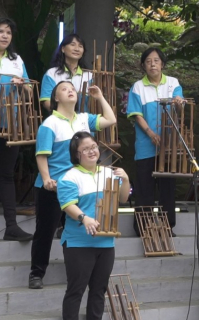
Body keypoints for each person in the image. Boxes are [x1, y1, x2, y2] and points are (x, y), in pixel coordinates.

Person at [30, 80, 116, 290]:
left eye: (72, 88)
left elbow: (110, 119)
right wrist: (47, 179)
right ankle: (36, 273)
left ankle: (79, 274)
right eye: (64, 89)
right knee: (45, 231)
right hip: (53, 187)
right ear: (56, 98)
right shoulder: (49, 124)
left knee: (77, 226)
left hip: (79, 185)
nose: (70, 91)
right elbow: (42, 155)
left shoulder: (84, 119)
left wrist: (100, 97)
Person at [58, 132, 130, 320]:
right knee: (76, 291)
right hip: (79, 243)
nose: (92, 151)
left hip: (106, 242)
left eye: (94, 147)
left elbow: (123, 198)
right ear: (76, 155)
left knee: (98, 291)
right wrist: (84, 218)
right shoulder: (69, 177)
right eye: (86, 149)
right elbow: (67, 205)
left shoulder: (109, 173)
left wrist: (126, 180)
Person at [127, 48, 184, 236]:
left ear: (162, 64)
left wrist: (178, 102)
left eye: (156, 60)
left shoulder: (173, 83)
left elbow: (180, 103)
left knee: (167, 188)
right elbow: (136, 114)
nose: (153, 64)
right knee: (145, 188)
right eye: (149, 61)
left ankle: (168, 227)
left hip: (168, 145)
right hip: (145, 145)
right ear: (143, 65)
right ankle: (143, 227)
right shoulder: (138, 87)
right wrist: (151, 133)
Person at [0, 17, 34, 241]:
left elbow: (30, 90)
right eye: (1, 31)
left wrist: (23, 86)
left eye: (8, 32)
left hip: (8, 125)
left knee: (6, 175)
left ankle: (11, 226)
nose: (4, 35)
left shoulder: (15, 59)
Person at [40, 34, 94, 111]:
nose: (77, 49)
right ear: (63, 49)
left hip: (84, 121)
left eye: (80, 46)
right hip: (60, 120)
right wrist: (65, 115)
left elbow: (95, 102)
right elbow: (47, 101)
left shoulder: (89, 76)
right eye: (73, 45)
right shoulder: (52, 73)